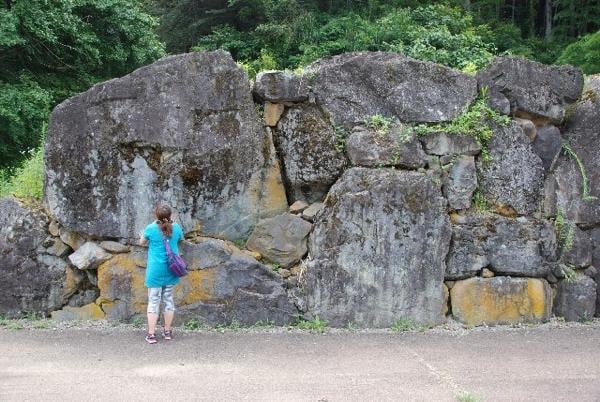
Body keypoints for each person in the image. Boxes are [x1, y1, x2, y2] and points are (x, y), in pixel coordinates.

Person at [139, 205, 184, 344]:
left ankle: (151, 335)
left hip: (155, 271)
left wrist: (153, 224)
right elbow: (181, 240)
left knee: (153, 300)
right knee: (168, 300)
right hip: (172, 270)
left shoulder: (151, 228)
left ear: (156, 216)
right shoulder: (176, 228)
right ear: (171, 215)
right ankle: (167, 332)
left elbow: (142, 242)